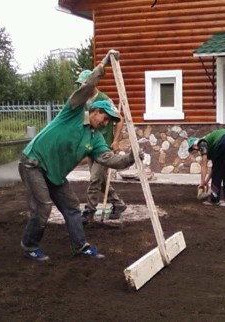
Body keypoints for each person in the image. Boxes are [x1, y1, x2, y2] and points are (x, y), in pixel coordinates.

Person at [18, 49, 141, 261]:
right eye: (105, 118)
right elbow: (88, 86)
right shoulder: (73, 112)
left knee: (72, 207)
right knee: (44, 206)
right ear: (95, 111)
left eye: (110, 121)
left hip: (54, 174)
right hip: (33, 163)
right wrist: (104, 64)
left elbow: (110, 160)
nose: (106, 124)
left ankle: (80, 246)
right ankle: (29, 245)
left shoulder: (96, 139)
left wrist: (131, 157)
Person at [74, 70, 127, 224]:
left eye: (84, 84)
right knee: (100, 180)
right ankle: (118, 204)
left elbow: (120, 119)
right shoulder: (84, 100)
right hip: (90, 145)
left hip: (102, 146)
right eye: (81, 84)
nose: (82, 87)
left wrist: (116, 140)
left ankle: (89, 211)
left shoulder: (104, 99)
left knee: (94, 179)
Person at [188, 129, 225, 206]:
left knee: (217, 175)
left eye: (194, 148)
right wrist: (206, 181)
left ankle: (214, 199)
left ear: (195, 144)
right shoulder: (213, 146)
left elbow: (204, 164)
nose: (196, 150)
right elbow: (215, 168)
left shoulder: (202, 143)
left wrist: (202, 182)